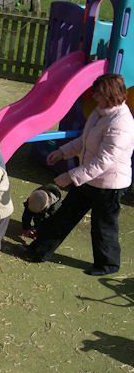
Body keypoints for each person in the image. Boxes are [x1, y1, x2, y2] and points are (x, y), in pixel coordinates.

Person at [27, 74, 134, 276]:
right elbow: (85, 140)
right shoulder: (99, 111)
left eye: (99, 93)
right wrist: (62, 152)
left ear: (111, 95)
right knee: (65, 215)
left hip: (110, 184)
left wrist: (70, 176)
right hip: (88, 177)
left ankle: (107, 265)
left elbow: (104, 160)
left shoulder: (122, 124)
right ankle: (39, 251)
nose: (94, 96)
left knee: (103, 226)